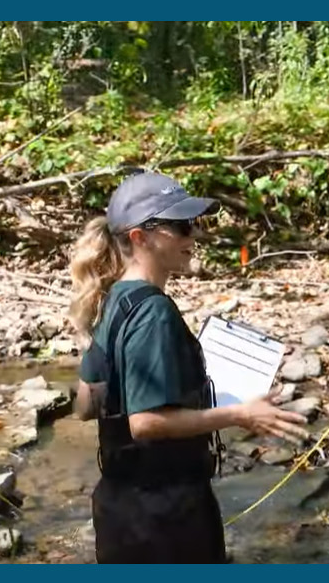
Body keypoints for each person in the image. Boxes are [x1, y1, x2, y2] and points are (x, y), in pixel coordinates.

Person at [68, 171, 309, 563]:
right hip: (165, 517)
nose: (192, 237)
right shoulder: (154, 313)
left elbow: (85, 405)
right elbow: (146, 423)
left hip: (120, 510)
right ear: (139, 237)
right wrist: (239, 413)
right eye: (180, 227)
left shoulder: (114, 301)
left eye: (193, 225)